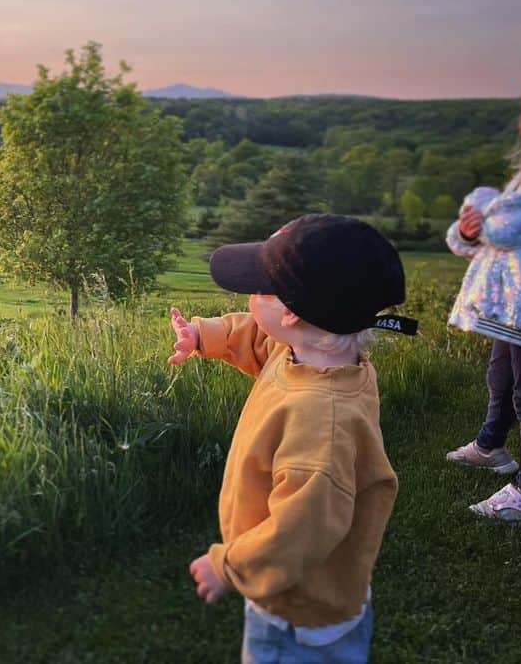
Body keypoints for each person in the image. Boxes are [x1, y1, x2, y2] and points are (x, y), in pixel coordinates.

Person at [169, 214, 416, 663]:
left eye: (259, 287)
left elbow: (298, 531)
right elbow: (263, 341)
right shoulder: (318, 351)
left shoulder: (321, 422)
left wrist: (230, 567)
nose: (248, 296)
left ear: (290, 313)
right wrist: (206, 336)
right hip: (302, 590)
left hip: (298, 616)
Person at [445, 78, 521, 523]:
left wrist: (479, 208)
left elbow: (504, 229)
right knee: (501, 378)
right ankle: (491, 445)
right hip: (512, 309)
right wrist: (470, 228)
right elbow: (477, 238)